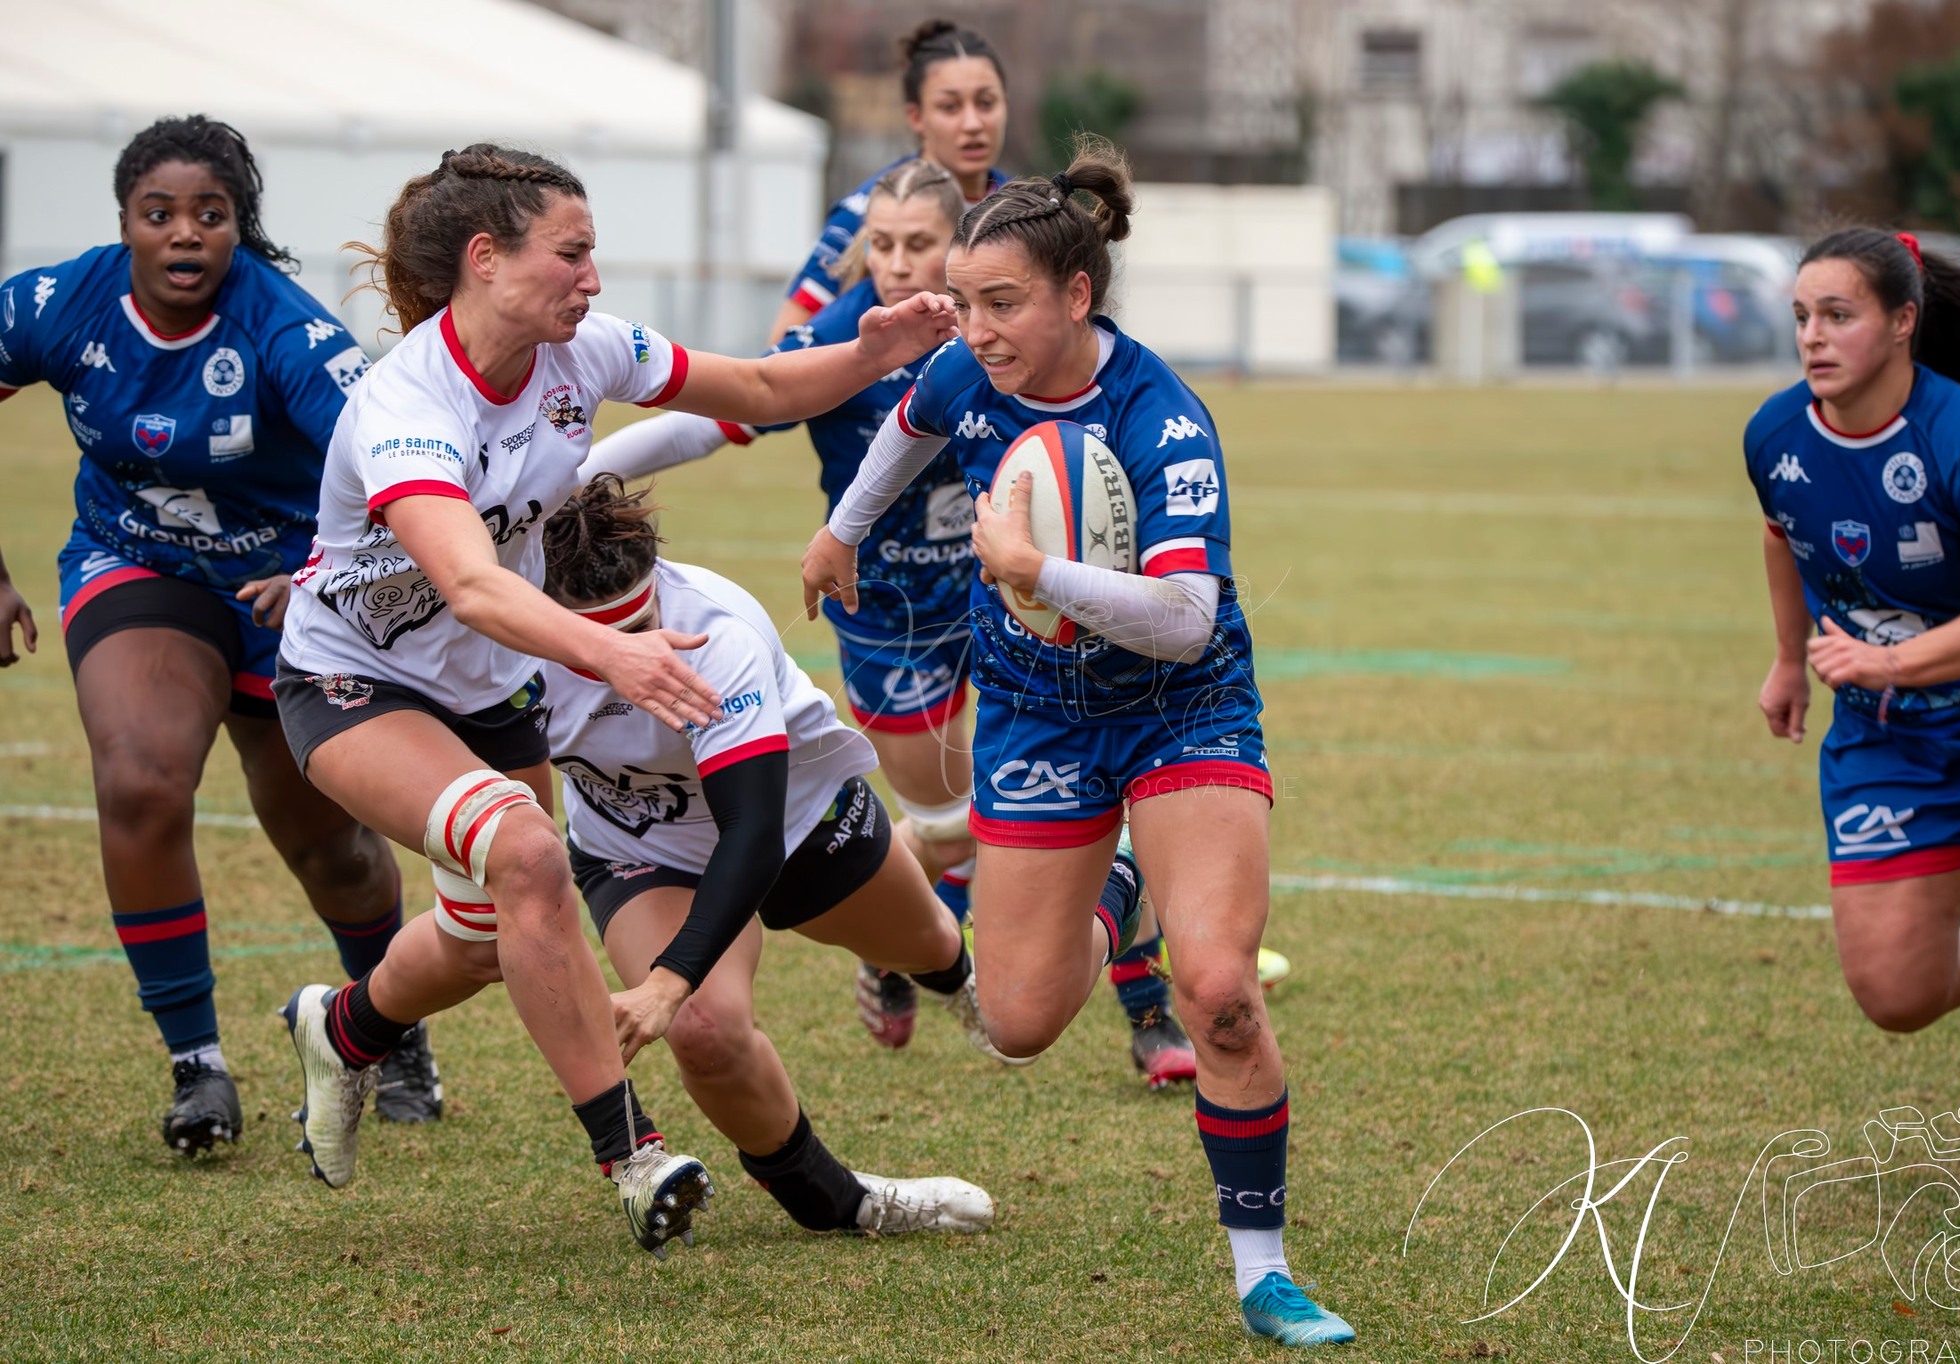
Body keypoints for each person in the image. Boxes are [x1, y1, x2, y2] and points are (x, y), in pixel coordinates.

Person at [269, 143, 959, 1257]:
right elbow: (471, 583)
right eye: (573, 253)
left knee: (483, 936)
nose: (593, 279)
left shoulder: (577, 352)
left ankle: (342, 1025)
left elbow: (762, 388)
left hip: (491, 685)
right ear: (487, 260)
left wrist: (867, 349)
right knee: (529, 853)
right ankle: (631, 1156)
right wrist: (612, 658)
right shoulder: (407, 405)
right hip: (356, 679)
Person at [799, 137, 1354, 1345]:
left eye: (1001, 304)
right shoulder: (969, 367)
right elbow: (907, 420)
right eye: (965, 301)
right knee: (1013, 1021)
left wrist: (1029, 567)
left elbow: (1184, 616)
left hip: (1180, 706)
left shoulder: (1162, 417)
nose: (977, 328)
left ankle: (1260, 1268)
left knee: (1214, 992)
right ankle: (1116, 876)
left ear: (1075, 296)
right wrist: (842, 530)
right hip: (1039, 707)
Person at [588, 159, 1206, 1085]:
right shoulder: (845, 338)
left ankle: (1150, 1012)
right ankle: (896, 930)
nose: (897, 261)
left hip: (1008, 598)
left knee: (1080, 791)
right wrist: (580, 473)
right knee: (950, 826)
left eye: (919, 243)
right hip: (888, 619)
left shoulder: (1002, 323)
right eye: (881, 244)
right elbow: (721, 421)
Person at [0, 114, 439, 1157]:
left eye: (211, 214)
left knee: (327, 844)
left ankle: (394, 1020)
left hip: (288, 583)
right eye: (160, 214)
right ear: (125, 224)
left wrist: (321, 575)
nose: (185, 234)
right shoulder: (61, 303)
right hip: (136, 559)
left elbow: (397, 475)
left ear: (240, 226)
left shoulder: (285, 331)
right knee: (143, 778)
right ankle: (196, 1063)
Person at [539, 474, 1004, 1237]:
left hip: (793, 820)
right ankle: (839, 1200)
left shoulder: (717, 632)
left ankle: (953, 981)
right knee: (702, 1031)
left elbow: (750, 834)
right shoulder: (504, 635)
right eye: (603, 647)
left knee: (930, 946)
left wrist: (665, 980)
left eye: (643, 626)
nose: (637, 659)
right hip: (638, 845)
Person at [1748, 227, 1960, 1067]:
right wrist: (1786, 657)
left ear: (1903, 321)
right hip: (1893, 735)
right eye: (1803, 315)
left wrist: (1889, 661)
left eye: (1838, 314)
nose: (1812, 336)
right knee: (1898, 992)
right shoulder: (1775, 435)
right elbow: (1782, 532)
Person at [764, 18, 1009, 341]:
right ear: (916, 117)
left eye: (986, 102)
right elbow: (782, 347)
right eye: (950, 106)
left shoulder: (1015, 204)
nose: (973, 123)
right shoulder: (866, 211)